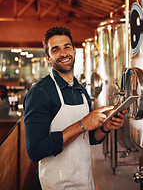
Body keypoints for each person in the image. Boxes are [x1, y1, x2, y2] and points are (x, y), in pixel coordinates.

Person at [23, 26, 127, 190]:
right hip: (57, 184)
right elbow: (35, 151)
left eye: (67, 47)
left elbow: (89, 138)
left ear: (74, 51)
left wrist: (106, 127)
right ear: (48, 58)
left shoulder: (80, 90)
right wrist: (82, 124)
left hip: (85, 181)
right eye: (55, 50)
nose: (63, 53)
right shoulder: (39, 93)